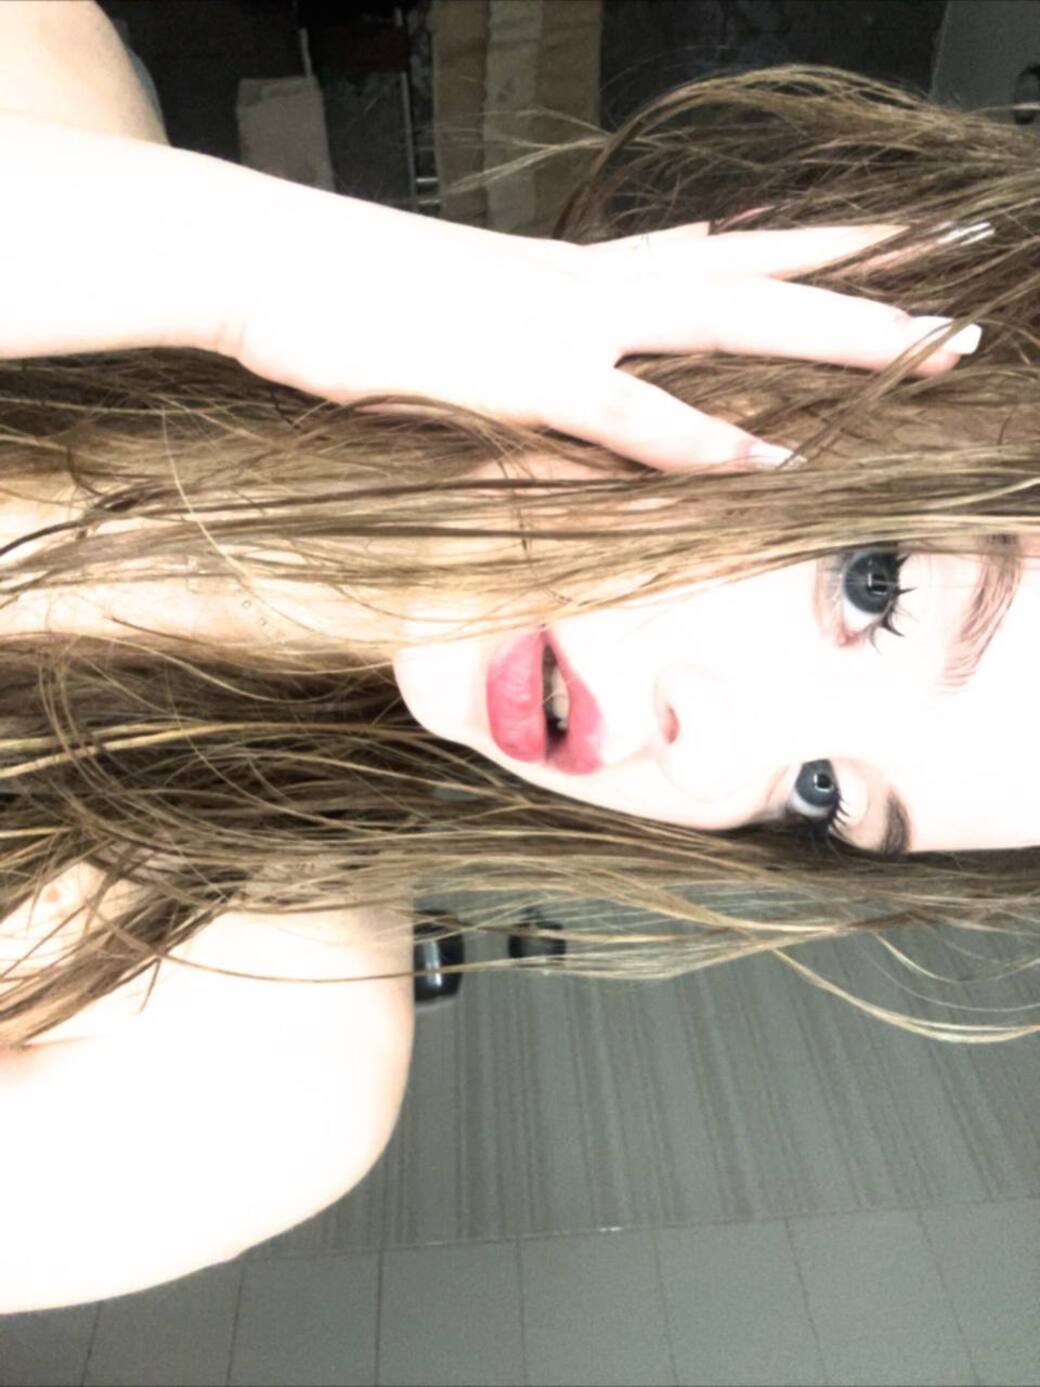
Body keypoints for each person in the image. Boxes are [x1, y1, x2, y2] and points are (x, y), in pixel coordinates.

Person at [0, 3, 1035, 1310]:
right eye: (874, 584)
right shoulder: (43, 63)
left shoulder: (245, 1075)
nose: (710, 758)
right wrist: (253, 275)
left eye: (823, 797)